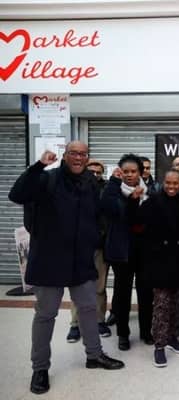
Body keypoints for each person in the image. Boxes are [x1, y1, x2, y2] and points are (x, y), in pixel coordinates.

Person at [9, 142, 124, 395]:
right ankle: (40, 368)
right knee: (45, 314)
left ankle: (94, 355)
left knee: (88, 308)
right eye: (74, 153)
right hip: (49, 260)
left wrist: (96, 236)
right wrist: (38, 165)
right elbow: (16, 195)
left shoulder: (90, 183)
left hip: (81, 259)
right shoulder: (47, 178)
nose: (79, 158)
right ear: (65, 155)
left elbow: (102, 212)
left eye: (83, 154)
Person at [101, 153, 154, 350]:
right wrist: (116, 185)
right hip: (121, 250)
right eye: (125, 171)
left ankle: (147, 331)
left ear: (141, 172)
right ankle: (123, 334)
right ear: (119, 172)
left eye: (133, 171)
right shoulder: (113, 190)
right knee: (122, 294)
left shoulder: (150, 190)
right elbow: (112, 210)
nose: (129, 175)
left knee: (146, 293)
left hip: (144, 251)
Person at [139, 169, 179, 367]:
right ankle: (159, 346)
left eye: (175, 183)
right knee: (162, 304)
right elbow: (139, 222)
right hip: (159, 261)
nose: (171, 187)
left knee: (177, 303)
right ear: (163, 182)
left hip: (178, 261)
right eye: (168, 183)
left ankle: (172, 338)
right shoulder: (152, 201)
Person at [67, 159, 111, 342]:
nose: (94, 174)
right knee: (78, 287)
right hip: (78, 248)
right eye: (91, 171)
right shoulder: (73, 188)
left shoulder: (107, 190)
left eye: (98, 172)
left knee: (99, 287)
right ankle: (75, 325)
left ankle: (100, 321)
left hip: (99, 247)